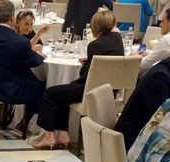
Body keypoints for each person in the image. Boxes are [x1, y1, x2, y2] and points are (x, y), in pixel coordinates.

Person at [34, 9, 123, 149]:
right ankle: (63, 134)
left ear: (95, 26)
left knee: (51, 93)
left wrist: (85, 67)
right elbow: (106, 60)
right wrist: (90, 61)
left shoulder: (95, 45)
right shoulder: (117, 40)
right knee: (64, 93)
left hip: (92, 91)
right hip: (110, 91)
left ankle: (49, 136)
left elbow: (86, 75)